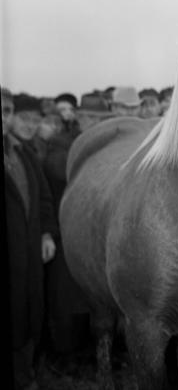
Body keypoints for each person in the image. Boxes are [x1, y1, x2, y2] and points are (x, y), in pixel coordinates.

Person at [3, 87, 58, 390]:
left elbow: (44, 198)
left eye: (9, 112)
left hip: (27, 250)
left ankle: (26, 374)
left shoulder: (23, 153)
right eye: (19, 117)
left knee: (27, 310)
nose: (26, 124)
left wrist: (47, 233)